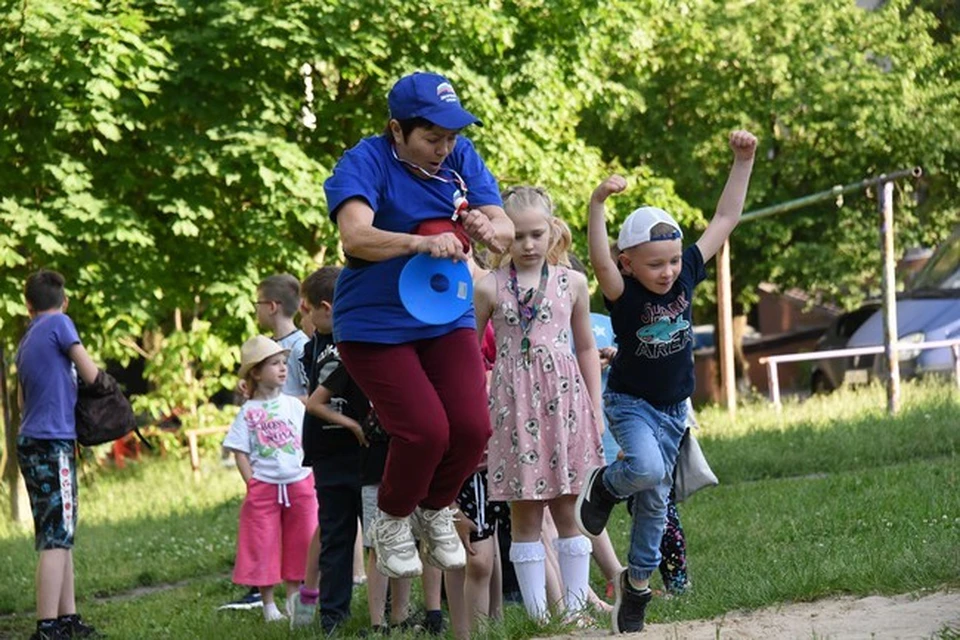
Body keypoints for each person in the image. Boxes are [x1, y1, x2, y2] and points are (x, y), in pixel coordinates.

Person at [323, 71, 513, 579]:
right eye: (432, 138)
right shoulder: (364, 161)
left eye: (450, 137)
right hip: (373, 324)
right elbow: (356, 235)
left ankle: (433, 510)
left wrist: (486, 227)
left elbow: (504, 233)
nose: (444, 148)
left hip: (444, 313)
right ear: (396, 130)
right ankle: (390, 521)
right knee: (425, 431)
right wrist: (420, 242)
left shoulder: (460, 157)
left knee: (473, 428)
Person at [577, 130, 757, 633]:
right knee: (647, 469)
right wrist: (597, 204)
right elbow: (598, 257)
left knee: (657, 502)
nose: (667, 271)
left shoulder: (685, 274)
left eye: (673, 260)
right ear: (629, 263)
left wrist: (742, 162)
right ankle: (606, 487)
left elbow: (725, 218)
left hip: (675, 410)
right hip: (631, 404)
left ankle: (635, 587)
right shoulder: (623, 291)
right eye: (655, 264)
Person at [474, 186, 604, 622]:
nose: (528, 245)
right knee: (524, 513)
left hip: (564, 406)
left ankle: (573, 609)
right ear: (501, 238)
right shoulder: (488, 286)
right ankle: (537, 618)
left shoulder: (574, 283)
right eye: (517, 237)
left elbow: (586, 348)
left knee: (570, 510)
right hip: (513, 410)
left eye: (536, 234)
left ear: (553, 232)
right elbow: (471, 353)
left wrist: (595, 406)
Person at [16, 270, 100, 640]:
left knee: (58, 532)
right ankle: (48, 627)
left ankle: (66, 618)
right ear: (63, 301)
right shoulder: (61, 324)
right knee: (56, 537)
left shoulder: (26, 338)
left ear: (27, 305)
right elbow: (91, 374)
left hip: (31, 441)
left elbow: (22, 401)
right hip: (54, 442)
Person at [291, 266, 368, 633]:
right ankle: (333, 616)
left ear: (325, 307)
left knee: (375, 533)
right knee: (336, 535)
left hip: (363, 452)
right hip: (326, 456)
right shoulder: (310, 347)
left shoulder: (360, 342)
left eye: (305, 310)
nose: (302, 317)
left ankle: (382, 610)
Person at [222, 335, 319, 623]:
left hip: (300, 484)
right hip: (264, 489)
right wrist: (251, 482)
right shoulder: (249, 411)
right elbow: (239, 450)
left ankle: (293, 599)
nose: (282, 369)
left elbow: (307, 439)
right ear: (255, 372)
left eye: (283, 363)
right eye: (274, 364)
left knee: (301, 541)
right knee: (262, 543)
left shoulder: (294, 405)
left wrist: (310, 471)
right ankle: (268, 606)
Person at [256, 274, 309, 400]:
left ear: (272, 307)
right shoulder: (268, 345)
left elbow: (314, 397)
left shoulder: (301, 346)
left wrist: (280, 404)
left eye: (258, 303)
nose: (256, 309)